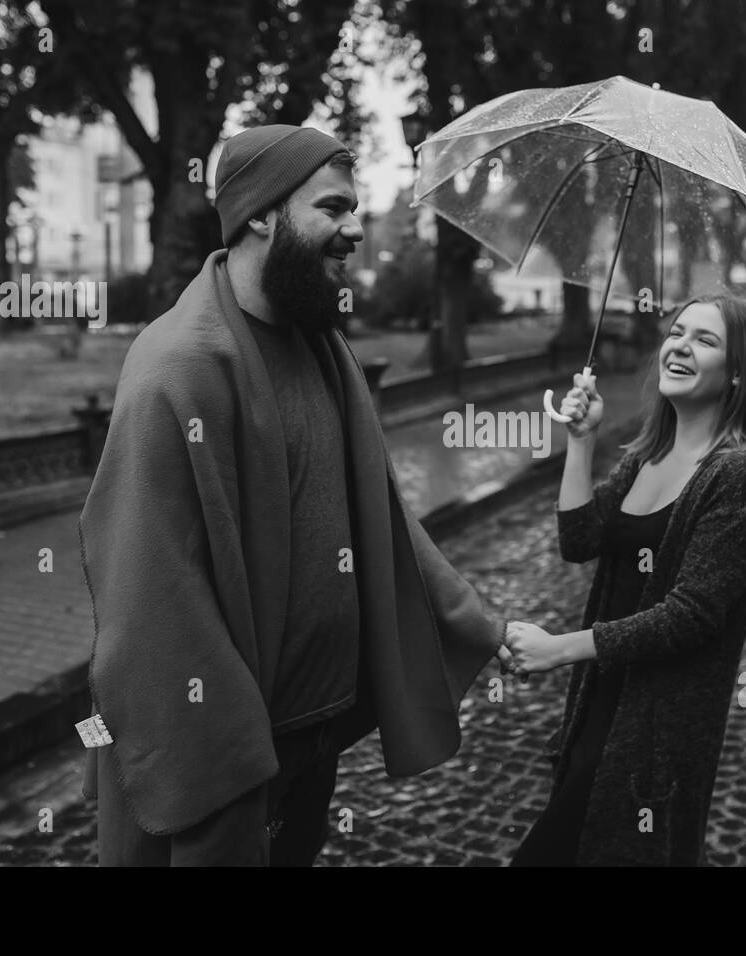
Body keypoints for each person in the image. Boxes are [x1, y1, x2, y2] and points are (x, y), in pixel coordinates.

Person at [78, 124, 503, 866]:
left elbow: (378, 512)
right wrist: (230, 755)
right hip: (234, 751)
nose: (355, 230)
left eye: (355, 210)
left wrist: (473, 621)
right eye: (333, 209)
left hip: (314, 733)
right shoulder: (176, 368)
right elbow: (149, 591)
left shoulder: (320, 344)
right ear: (261, 214)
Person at [502, 294, 746, 866]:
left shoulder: (737, 476)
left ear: (737, 373)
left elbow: (692, 614)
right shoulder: (648, 456)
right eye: (677, 332)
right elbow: (579, 539)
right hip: (598, 707)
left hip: (655, 727)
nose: (679, 345)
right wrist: (581, 440)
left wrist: (562, 649)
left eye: (705, 340)